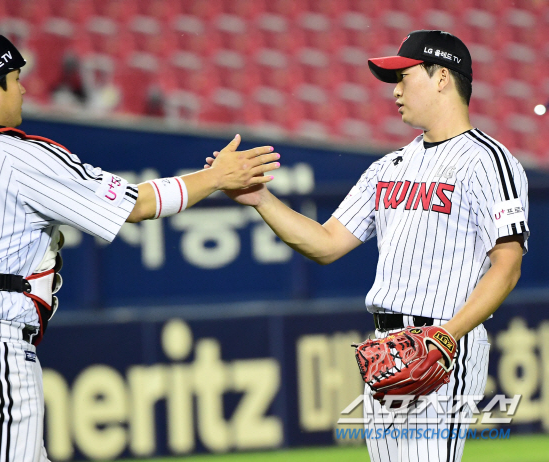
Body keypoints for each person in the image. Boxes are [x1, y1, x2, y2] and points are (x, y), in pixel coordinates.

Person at [0, 30, 280, 462]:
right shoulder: (17, 155)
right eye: (14, 78)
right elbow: (136, 205)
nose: (24, 87)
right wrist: (216, 178)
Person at [207, 30, 529, 461]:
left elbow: (506, 267)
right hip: (387, 349)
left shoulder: (489, 161)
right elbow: (325, 243)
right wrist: (260, 199)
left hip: (444, 344)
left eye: (404, 77)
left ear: (442, 78)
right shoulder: (389, 166)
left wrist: (445, 338)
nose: (395, 90)